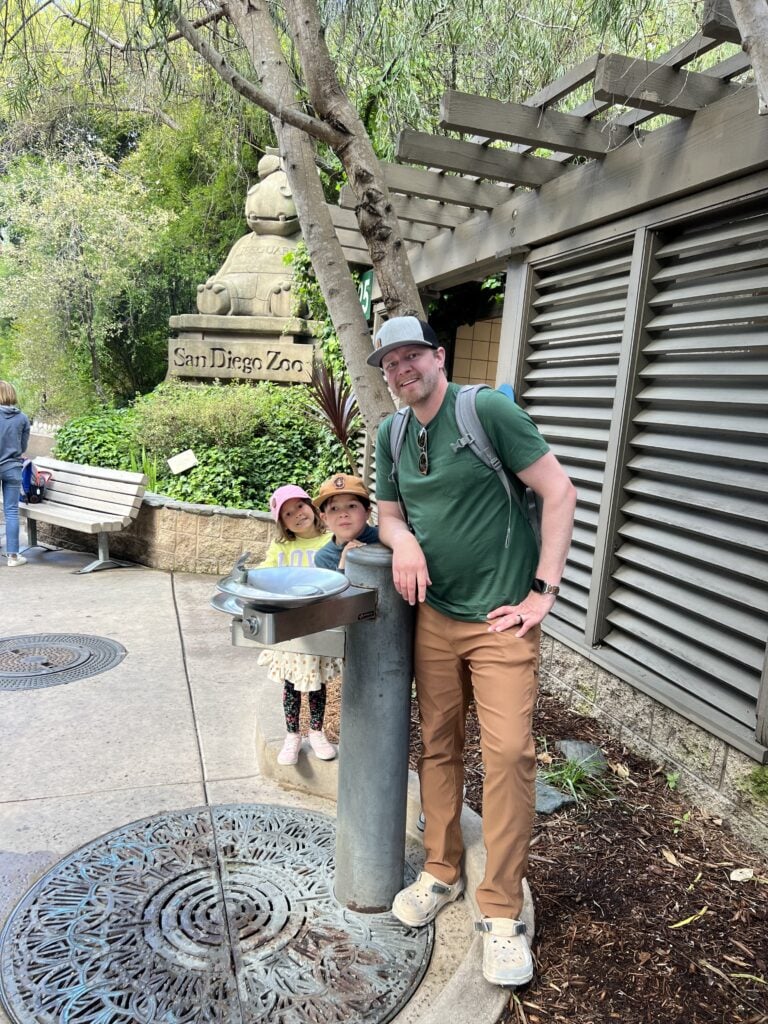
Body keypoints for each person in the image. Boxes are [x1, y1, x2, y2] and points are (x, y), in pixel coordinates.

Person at [370, 316, 576, 987]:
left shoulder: (485, 410)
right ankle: (440, 869)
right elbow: (390, 512)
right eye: (390, 365)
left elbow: (558, 491)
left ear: (438, 356)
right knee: (437, 743)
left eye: (410, 358)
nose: (401, 372)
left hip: (501, 622)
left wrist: (542, 592)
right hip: (434, 618)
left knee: (511, 752)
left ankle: (501, 910)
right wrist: (401, 542)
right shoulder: (392, 432)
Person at [258, 485, 339, 765]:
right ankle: (292, 736)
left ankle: (316, 733)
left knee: (315, 683)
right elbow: (266, 574)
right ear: (282, 523)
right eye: (288, 513)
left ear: (311, 507)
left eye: (299, 507)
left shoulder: (332, 540)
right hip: (289, 626)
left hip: (317, 624)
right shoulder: (282, 547)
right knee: (292, 684)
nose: (297, 515)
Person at [313, 473, 379, 571]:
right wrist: (344, 563)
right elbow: (333, 586)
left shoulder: (386, 539)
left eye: (352, 506)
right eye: (334, 508)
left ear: (367, 512)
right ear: (324, 518)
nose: (343, 514)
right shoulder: (324, 558)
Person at [0, 381, 31, 568]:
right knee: (11, 511)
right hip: (12, 467)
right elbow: (23, 447)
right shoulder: (23, 418)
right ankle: (13, 556)